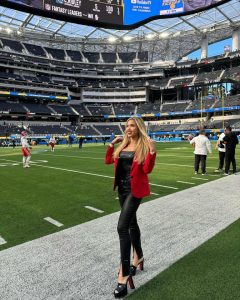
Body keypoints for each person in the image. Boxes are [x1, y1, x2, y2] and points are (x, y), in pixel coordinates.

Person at [105, 117, 156, 298]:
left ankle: (124, 273)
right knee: (132, 224)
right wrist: (112, 144)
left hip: (135, 191)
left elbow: (148, 169)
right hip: (122, 190)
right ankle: (139, 256)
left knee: (122, 227)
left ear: (139, 128)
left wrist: (152, 150)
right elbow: (108, 161)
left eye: (132, 125)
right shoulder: (123, 146)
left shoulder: (143, 146)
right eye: (127, 125)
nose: (128, 128)